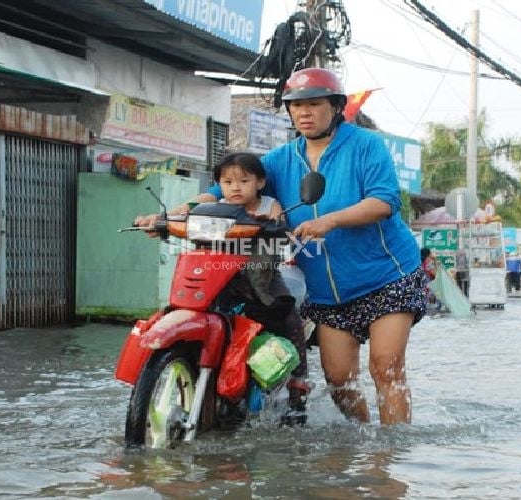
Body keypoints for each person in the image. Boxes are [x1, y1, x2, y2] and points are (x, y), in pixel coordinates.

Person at [137, 67, 426, 425]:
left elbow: (385, 201)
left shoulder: (366, 146)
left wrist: (329, 220)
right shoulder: (280, 159)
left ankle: (390, 461)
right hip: (327, 291)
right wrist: (174, 214)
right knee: (339, 381)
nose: (304, 112)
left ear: (336, 107)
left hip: (386, 275)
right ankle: (364, 443)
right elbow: (224, 189)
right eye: (296, 106)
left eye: (314, 104)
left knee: (385, 367)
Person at [210, 152, 310, 420]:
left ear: (260, 182)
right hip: (224, 279)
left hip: (265, 278)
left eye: (243, 180)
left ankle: (299, 382)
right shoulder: (216, 209)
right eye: (227, 182)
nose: (235, 187)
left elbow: (282, 225)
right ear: (219, 184)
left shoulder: (269, 204)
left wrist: (272, 223)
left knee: (289, 316)